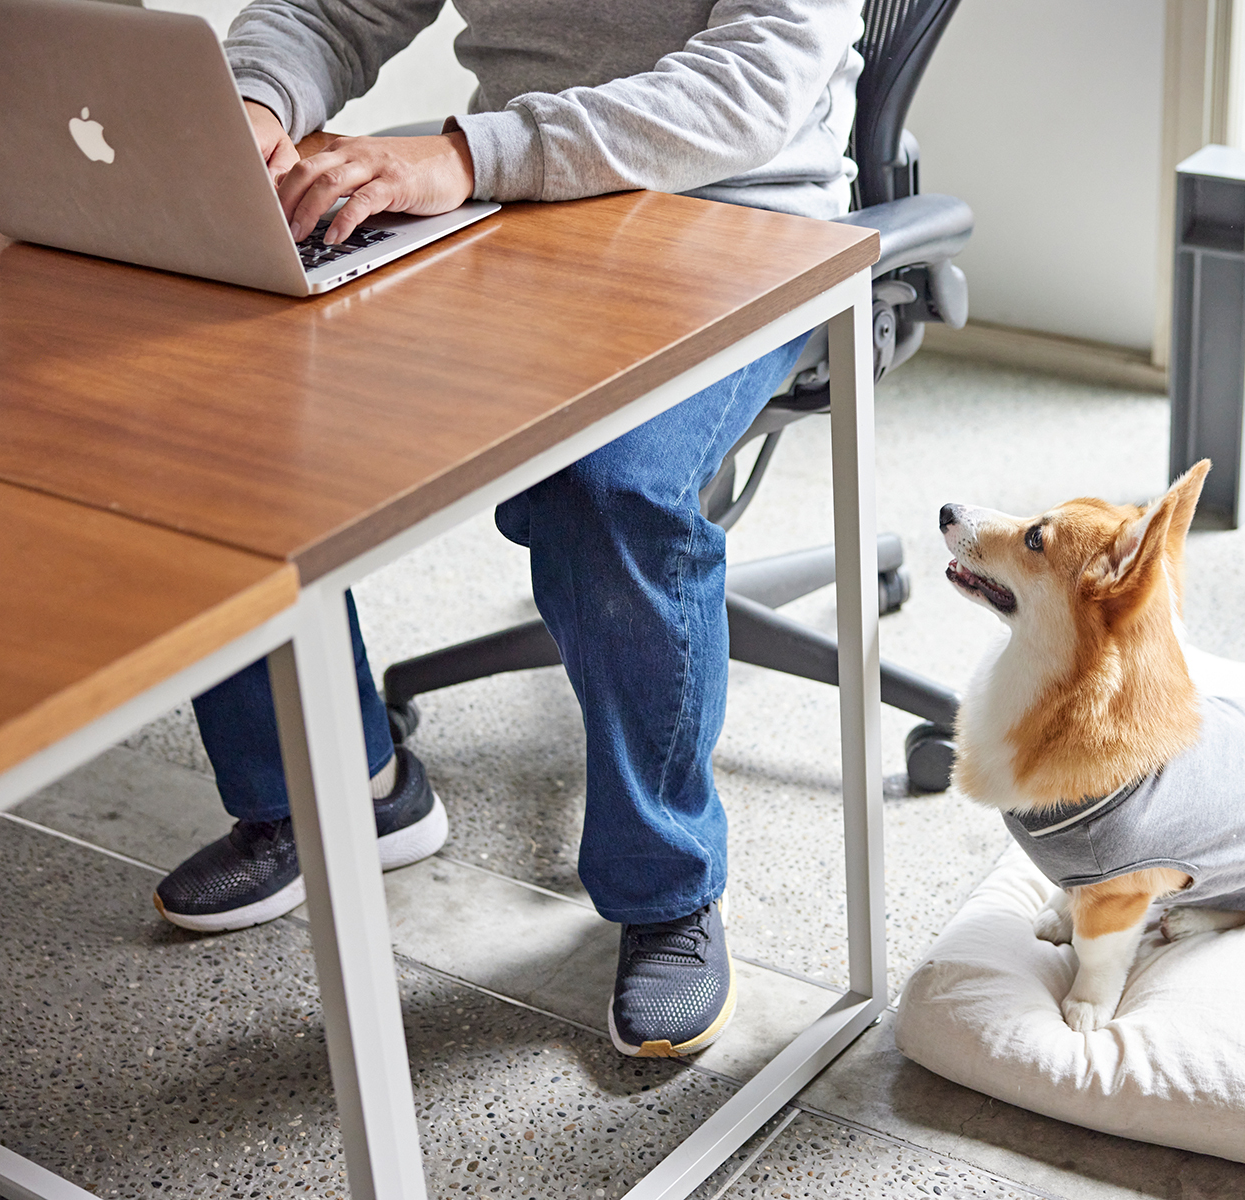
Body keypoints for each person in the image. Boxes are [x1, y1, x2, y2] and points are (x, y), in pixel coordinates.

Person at [152, 0, 865, 1061]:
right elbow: (332, 12)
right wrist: (254, 101)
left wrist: (462, 155)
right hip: (519, 200)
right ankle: (342, 792)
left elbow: (750, 88)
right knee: (199, 402)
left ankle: (666, 890)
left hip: (733, 214)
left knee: (608, 486)